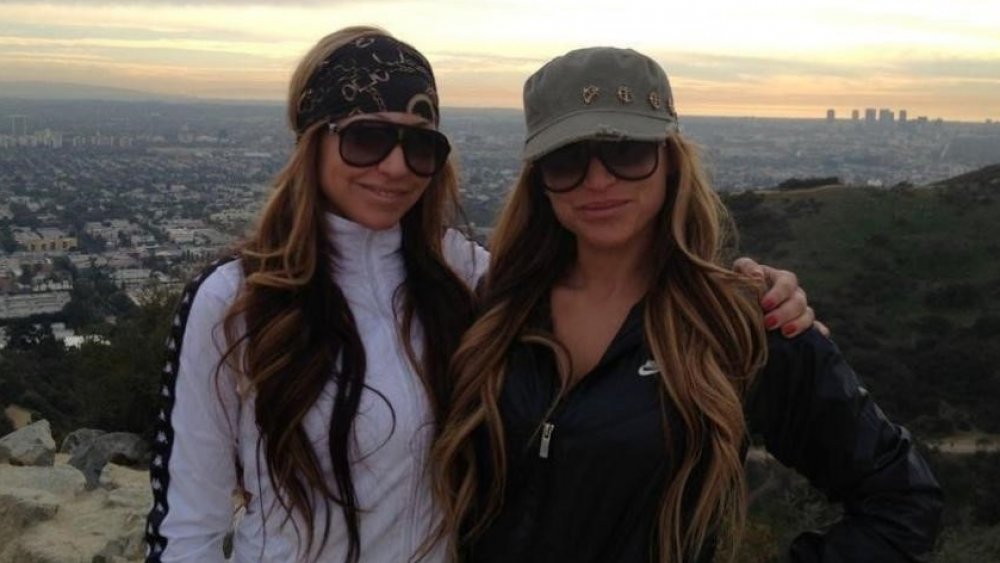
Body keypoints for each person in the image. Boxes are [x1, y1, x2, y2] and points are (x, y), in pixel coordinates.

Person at [143, 28, 817, 563]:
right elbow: (189, 520)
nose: (395, 167)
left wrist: (755, 289)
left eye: (419, 144)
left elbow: (607, 290)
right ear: (313, 144)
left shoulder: (470, 277)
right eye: (367, 139)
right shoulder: (237, 298)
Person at [430, 47, 942, 563]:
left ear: (671, 160)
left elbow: (901, 499)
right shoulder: (492, 312)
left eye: (627, 151)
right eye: (566, 159)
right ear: (539, 180)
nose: (598, 179)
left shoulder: (737, 323)